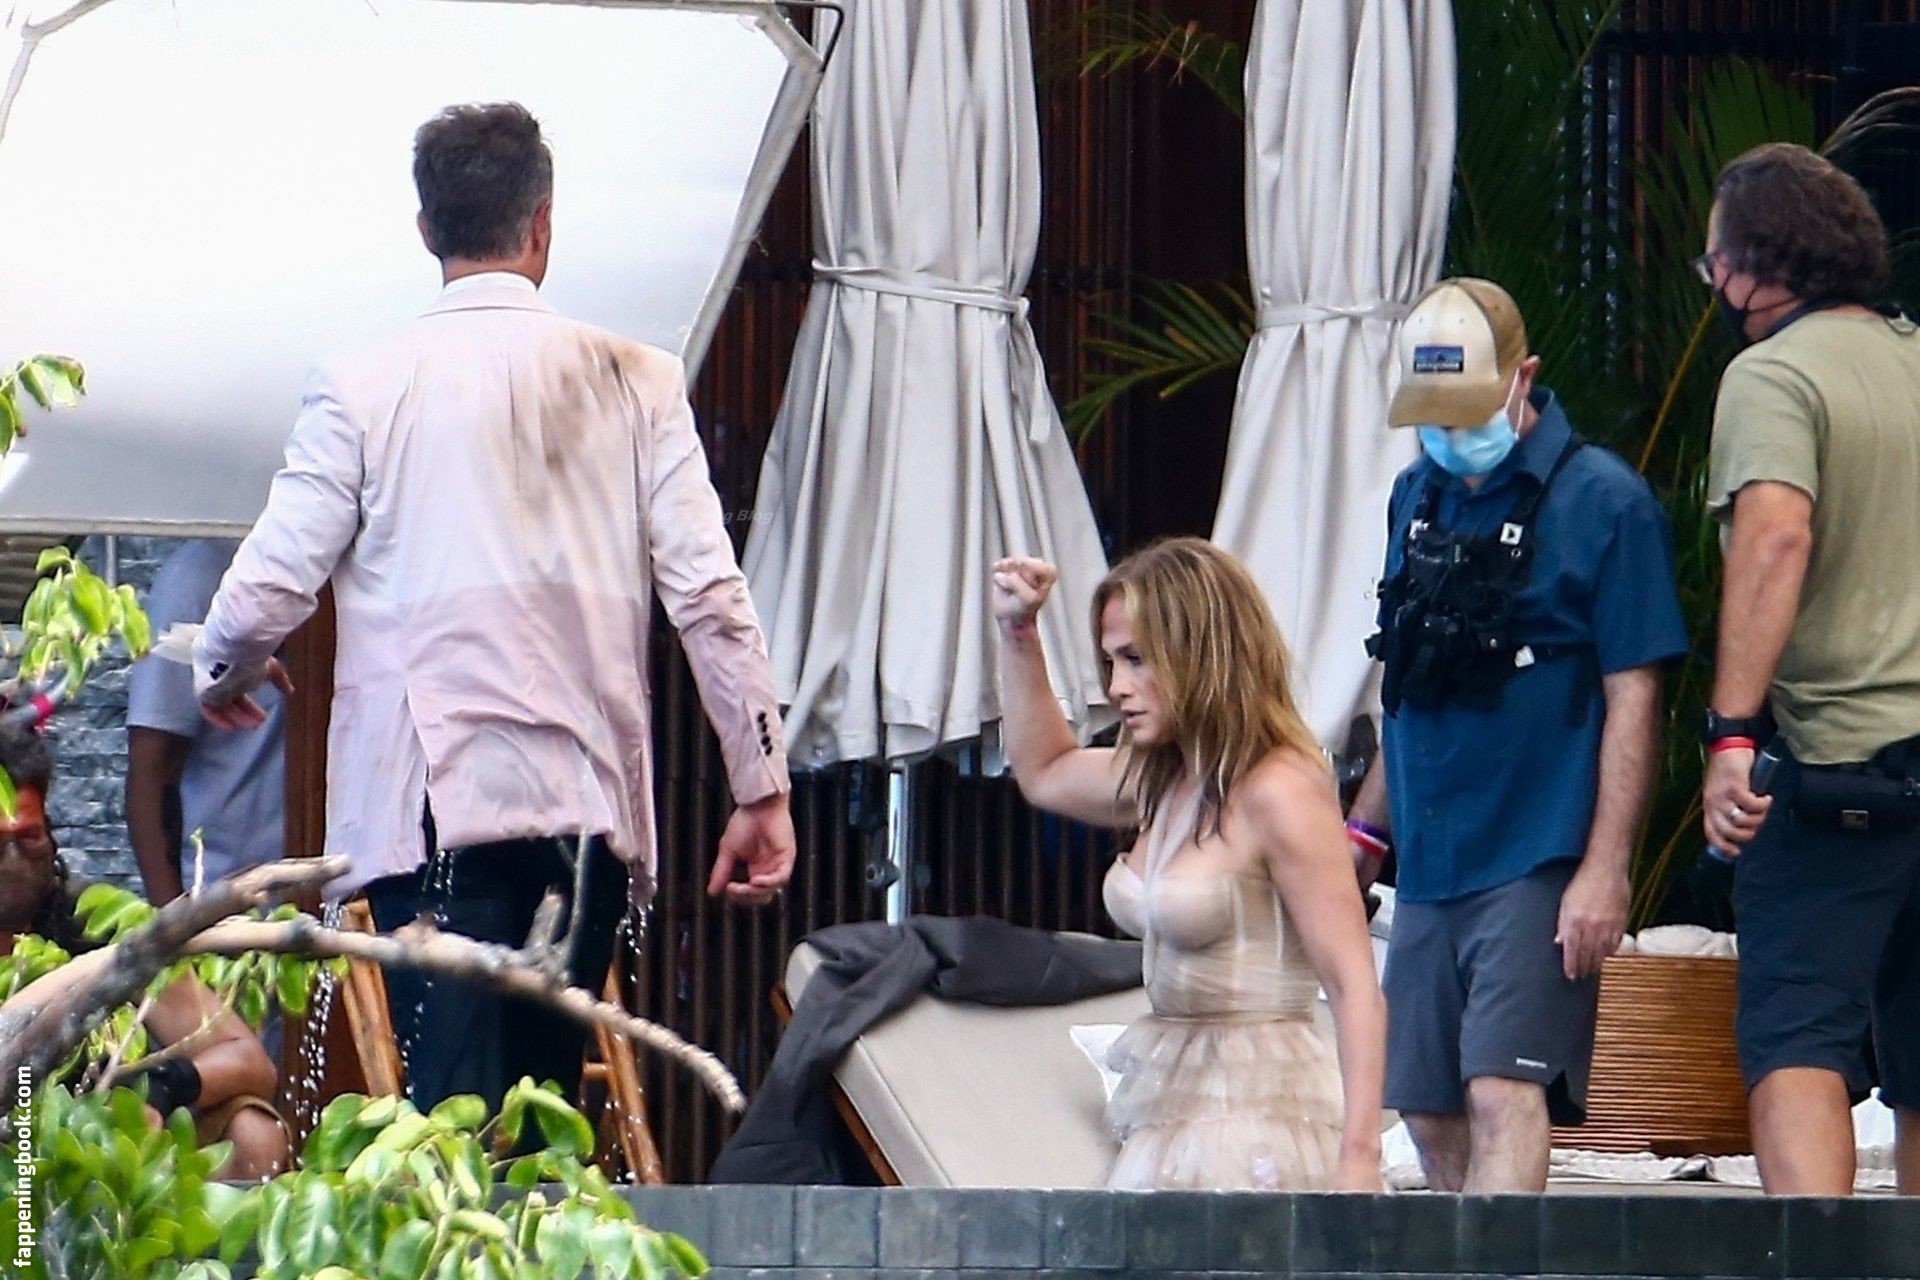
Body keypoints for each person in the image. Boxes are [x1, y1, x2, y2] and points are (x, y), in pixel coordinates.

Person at [191, 102, 796, 1115]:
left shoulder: (361, 383)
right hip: (585, 802)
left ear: (426, 228)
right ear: (542, 225)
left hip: (433, 804)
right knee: (545, 1107)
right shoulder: (639, 381)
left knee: (450, 1117)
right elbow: (710, 597)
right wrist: (760, 785)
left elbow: (270, 585)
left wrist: (226, 668)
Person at [1347, 277, 1687, 1192]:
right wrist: (1365, 830)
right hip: (1431, 857)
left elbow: (1635, 694)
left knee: (1501, 1088)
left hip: (1538, 850)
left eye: (1466, 411)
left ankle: (1498, 1256)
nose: (1450, 434)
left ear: (1522, 377)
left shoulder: (1605, 502)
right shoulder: (1414, 494)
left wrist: (1606, 867)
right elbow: (1408, 678)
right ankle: (1473, 1250)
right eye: (1432, 416)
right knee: (1423, 1104)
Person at [992, 538, 1385, 1191]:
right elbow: (1045, 771)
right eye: (1111, 662)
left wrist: (1360, 1159)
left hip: (1262, 1112)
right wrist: (1018, 631)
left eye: (1137, 660)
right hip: (1172, 1108)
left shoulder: (1279, 788)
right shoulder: (1164, 777)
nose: (1116, 687)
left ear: (1199, 653)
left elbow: (1353, 985)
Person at [1696, 142, 1920, 1197]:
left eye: (1714, 264)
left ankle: (1818, 1262)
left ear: (1757, 265)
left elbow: (1776, 536)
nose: (1713, 286)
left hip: (1840, 768)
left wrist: (1731, 734)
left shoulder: (1773, 376)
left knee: (1798, 1033)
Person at [0, 725, 288, 1178]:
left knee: (253, 1131)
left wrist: (160, 1089)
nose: (13, 861)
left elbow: (247, 1059)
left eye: (28, 838)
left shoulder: (98, 921)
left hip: (100, 1146)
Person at [128, 538, 288, 905]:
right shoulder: (201, 575)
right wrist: (175, 923)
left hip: (344, 896)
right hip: (227, 903)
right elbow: (152, 766)